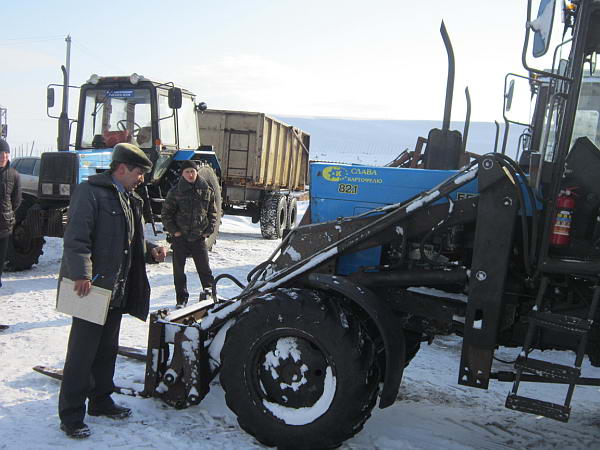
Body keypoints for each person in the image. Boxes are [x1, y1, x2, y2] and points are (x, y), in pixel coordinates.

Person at [58, 143, 167, 439]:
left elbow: (129, 240)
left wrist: (150, 250)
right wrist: (81, 274)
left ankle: (101, 401)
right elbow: (77, 238)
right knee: (81, 354)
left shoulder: (130, 199)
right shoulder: (89, 192)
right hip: (91, 287)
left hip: (117, 288)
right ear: (122, 169)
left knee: (106, 350)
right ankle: (71, 415)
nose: (141, 178)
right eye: (138, 172)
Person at [161, 160, 217, 308]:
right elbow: (166, 214)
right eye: (187, 172)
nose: (190, 174)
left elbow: (213, 212)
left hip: (198, 237)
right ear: (182, 174)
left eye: (192, 171)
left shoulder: (206, 190)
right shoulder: (175, 191)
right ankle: (181, 299)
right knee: (179, 271)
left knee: (204, 269)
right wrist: (175, 232)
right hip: (181, 238)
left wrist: (208, 231)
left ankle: (210, 295)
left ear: (196, 172)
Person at [0, 138, 21, 290]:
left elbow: (17, 200)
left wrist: (7, 213)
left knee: (1, 257)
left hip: (4, 224)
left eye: (6, 153)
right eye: (1, 153)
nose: (4, 156)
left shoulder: (14, 175)